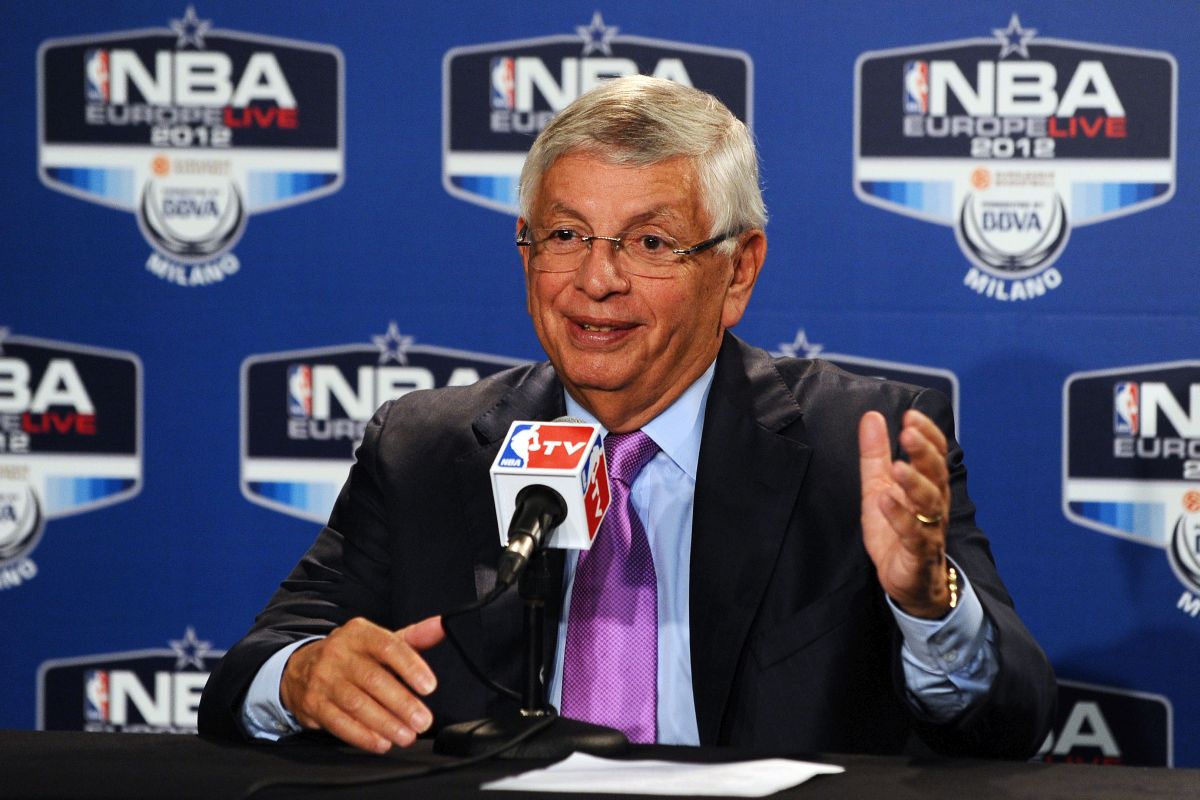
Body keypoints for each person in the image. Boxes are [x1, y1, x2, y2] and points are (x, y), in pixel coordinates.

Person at [198, 75, 1055, 758]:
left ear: (738, 271)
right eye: (566, 236)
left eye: (649, 243)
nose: (596, 280)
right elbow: (247, 675)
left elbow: (1012, 722)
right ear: (526, 250)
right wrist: (302, 677)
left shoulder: (857, 451)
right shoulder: (425, 452)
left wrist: (928, 605)